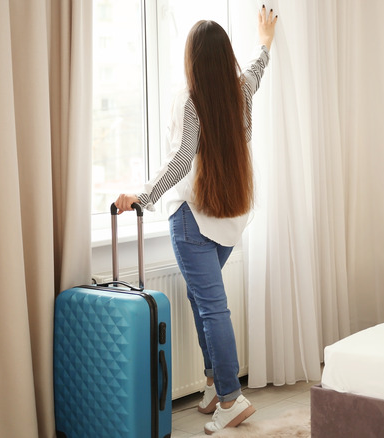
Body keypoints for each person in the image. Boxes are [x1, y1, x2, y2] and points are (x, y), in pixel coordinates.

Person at [115, 6, 278, 435]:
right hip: (228, 219)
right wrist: (265, 40)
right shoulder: (241, 90)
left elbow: (182, 159)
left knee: (212, 307)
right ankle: (212, 384)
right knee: (202, 302)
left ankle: (230, 398)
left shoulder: (191, 102)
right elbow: (260, 66)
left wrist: (143, 196)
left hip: (192, 220)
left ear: (192, 60)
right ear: (225, 57)